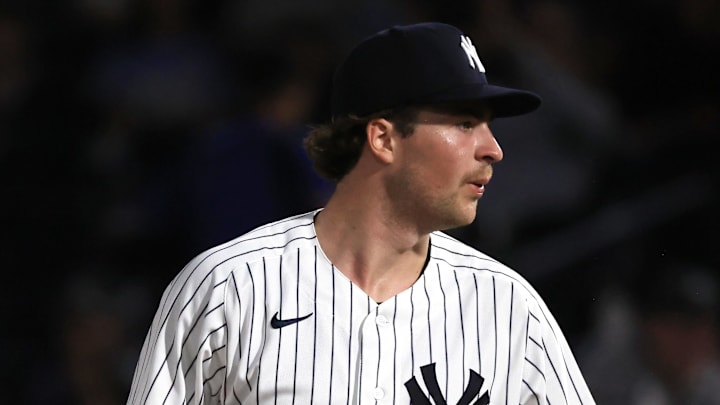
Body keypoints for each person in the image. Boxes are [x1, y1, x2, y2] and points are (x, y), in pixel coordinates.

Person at [126, 22, 595, 404]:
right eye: (465, 123)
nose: (492, 149)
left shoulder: (507, 306)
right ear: (384, 138)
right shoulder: (228, 288)